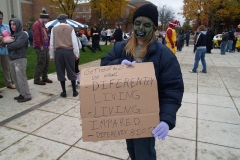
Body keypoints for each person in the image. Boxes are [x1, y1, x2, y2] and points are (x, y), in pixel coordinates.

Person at [100, 4, 184, 160]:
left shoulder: (164, 55)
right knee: (131, 148)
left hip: (147, 114)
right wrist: (118, 64)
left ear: (153, 27)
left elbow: (173, 90)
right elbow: (104, 64)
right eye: (137, 23)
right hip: (125, 111)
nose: (140, 28)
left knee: (144, 153)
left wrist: (166, 119)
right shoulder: (121, 48)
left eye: (146, 25)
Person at [49, 14, 79, 97]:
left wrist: (51, 55)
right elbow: (74, 43)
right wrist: (76, 54)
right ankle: (74, 91)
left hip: (59, 52)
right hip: (69, 51)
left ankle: (64, 92)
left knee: (60, 71)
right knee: (71, 70)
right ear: (66, 20)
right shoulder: (70, 28)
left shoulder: (54, 29)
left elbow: (51, 44)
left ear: (58, 20)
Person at [6, 18, 31, 102]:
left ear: (18, 24)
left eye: (14, 24)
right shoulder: (12, 35)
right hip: (12, 59)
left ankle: (27, 95)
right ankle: (21, 93)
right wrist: (5, 41)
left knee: (21, 78)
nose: (12, 26)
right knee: (15, 79)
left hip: (20, 59)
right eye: (11, 24)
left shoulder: (23, 34)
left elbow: (17, 44)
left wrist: (7, 44)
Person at [32, 9, 52, 85]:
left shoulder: (43, 25)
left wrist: (48, 45)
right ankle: (37, 79)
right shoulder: (36, 24)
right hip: (40, 47)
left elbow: (46, 36)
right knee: (40, 62)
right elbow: (36, 37)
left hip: (45, 46)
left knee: (46, 62)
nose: (48, 20)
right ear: (43, 17)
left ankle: (44, 77)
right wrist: (40, 46)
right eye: (47, 18)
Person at [0, 10, 16, 93]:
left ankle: (9, 83)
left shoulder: (6, 27)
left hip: (5, 51)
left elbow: (11, 36)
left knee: (6, 68)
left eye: (1, 18)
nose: (0, 20)